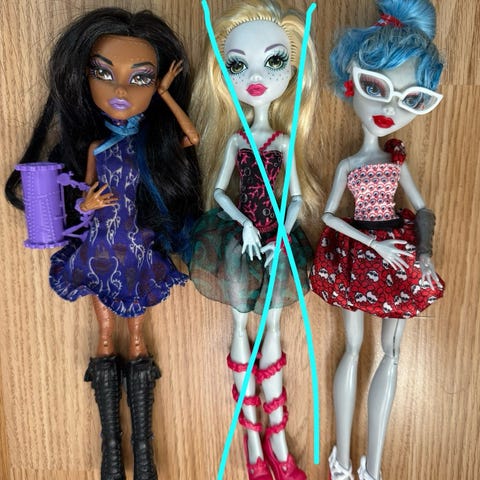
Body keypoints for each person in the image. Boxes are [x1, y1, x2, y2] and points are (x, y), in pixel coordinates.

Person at [5, 8, 200, 480]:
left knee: (137, 334)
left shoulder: (149, 146)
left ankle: (143, 452)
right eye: (104, 73)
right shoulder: (96, 147)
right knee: (106, 334)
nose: (121, 90)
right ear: (83, 77)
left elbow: (191, 136)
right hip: (100, 242)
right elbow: (86, 194)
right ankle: (111, 451)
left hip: (135, 241)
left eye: (141, 78)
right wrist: (86, 203)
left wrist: (166, 94)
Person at [309, 1, 444, 479]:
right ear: (351, 78)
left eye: (412, 100)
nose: (389, 109)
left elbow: (423, 209)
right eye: (376, 88)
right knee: (352, 348)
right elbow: (329, 215)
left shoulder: (396, 163)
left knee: (392, 350)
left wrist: (423, 252)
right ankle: (342, 460)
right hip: (359, 253)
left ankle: (373, 466)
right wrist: (374, 246)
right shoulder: (349, 164)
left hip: (397, 252)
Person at [189, 1, 320, 479]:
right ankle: (251, 442)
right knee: (240, 327)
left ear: (293, 69)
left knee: (274, 331)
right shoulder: (235, 142)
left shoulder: (283, 143)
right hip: (238, 241)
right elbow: (220, 193)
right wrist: (243, 223)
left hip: (277, 242)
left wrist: (282, 229)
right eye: (238, 65)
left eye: (275, 61)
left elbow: (298, 198)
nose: (257, 77)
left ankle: (278, 443)